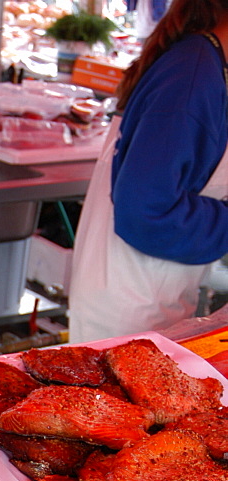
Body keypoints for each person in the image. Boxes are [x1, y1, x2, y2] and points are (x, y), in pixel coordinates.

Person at [68, 0, 228, 343]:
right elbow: (146, 211)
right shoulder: (192, 77)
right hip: (127, 315)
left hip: (150, 299)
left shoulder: (203, 66)